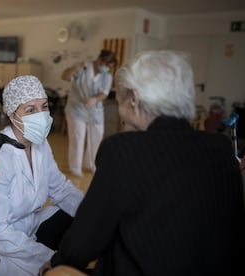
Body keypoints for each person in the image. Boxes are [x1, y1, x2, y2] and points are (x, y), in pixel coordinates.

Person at [41, 50, 245, 275]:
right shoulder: (222, 148)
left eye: (120, 101)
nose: (120, 115)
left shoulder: (123, 150)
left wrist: (53, 262)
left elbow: (80, 247)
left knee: (56, 272)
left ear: (134, 99)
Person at [0, 75, 84, 275]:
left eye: (44, 107)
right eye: (30, 110)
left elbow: (61, 190)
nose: (41, 115)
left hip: (29, 224)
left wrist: (95, 215)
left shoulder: (39, 144)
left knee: (78, 218)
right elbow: (0, 232)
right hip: (0, 247)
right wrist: (49, 259)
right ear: (12, 114)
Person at [61, 49, 117, 177]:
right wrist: (76, 67)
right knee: (78, 137)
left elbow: (104, 93)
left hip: (95, 110)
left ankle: (90, 163)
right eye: (106, 65)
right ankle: (75, 167)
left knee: (97, 136)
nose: (107, 69)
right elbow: (65, 77)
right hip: (76, 109)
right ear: (100, 60)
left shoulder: (107, 75)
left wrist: (95, 99)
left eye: (110, 67)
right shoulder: (83, 69)